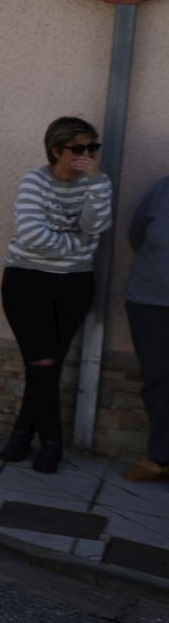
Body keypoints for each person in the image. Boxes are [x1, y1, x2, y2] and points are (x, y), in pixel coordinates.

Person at [0, 116, 114, 473]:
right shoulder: (35, 181)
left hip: (74, 285)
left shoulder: (98, 182)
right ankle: (52, 442)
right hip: (27, 281)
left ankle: (21, 435)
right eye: (78, 149)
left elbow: (98, 226)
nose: (87, 155)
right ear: (55, 150)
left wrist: (94, 183)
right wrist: (77, 244)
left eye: (92, 148)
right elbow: (32, 235)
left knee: (47, 366)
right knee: (43, 363)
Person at [125, 174, 169, 483]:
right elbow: (136, 234)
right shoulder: (162, 189)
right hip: (150, 300)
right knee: (159, 379)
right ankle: (160, 457)